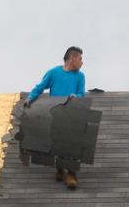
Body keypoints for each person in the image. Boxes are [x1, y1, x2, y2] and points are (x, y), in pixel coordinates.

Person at [26, 46, 87, 189]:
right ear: (72, 58)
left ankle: (71, 174)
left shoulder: (80, 76)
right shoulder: (54, 73)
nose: (82, 62)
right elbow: (40, 87)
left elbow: (81, 94)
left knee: (72, 141)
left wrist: (75, 96)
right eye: (80, 59)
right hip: (56, 112)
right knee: (57, 141)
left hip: (72, 112)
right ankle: (60, 168)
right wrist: (30, 98)